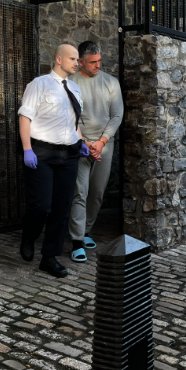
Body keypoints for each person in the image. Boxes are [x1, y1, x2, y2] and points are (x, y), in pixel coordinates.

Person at [18, 44, 90, 278]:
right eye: (72, 59)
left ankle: (49, 257)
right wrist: (27, 149)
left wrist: (81, 142)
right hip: (43, 152)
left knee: (61, 208)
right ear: (58, 59)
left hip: (69, 154)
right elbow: (25, 116)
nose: (77, 63)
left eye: (78, 59)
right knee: (41, 205)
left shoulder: (75, 89)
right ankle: (29, 236)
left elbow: (74, 122)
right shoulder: (39, 84)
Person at [67, 41, 123, 263]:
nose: (98, 65)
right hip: (79, 144)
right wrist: (85, 144)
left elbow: (116, 115)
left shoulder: (111, 82)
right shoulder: (71, 82)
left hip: (104, 145)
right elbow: (70, 117)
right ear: (80, 61)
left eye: (99, 60)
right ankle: (77, 241)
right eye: (93, 62)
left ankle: (87, 229)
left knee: (97, 193)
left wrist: (101, 142)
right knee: (79, 191)